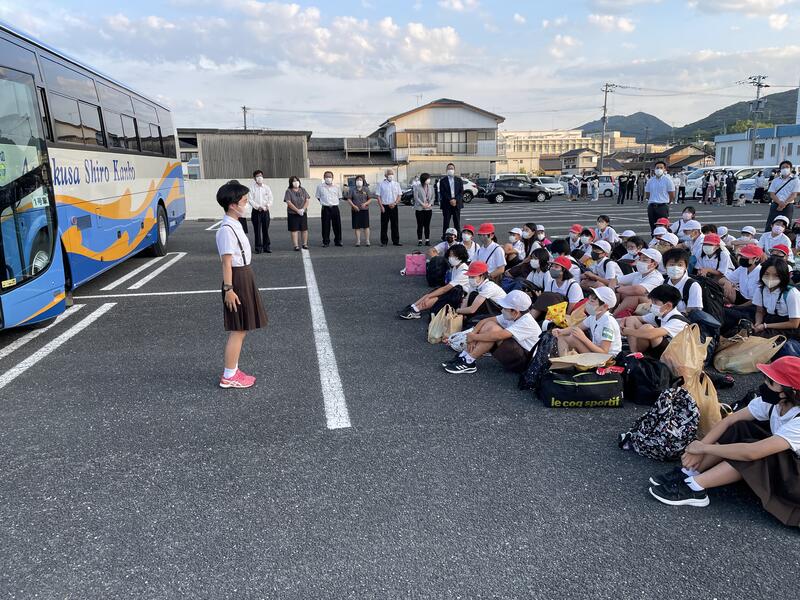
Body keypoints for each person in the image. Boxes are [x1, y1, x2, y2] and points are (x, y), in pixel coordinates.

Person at [648, 356, 800, 526]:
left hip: (795, 484)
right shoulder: (776, 402)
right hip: (787, 464)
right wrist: (699, 448)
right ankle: (692, 472)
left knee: (755, 452)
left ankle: (696, 488)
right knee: (740, 427)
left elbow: (752, 452)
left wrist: (703, 449)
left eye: (771, 382)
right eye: (766, 378)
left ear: (791, 392)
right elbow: (729, 420)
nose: (764, 384)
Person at [215, 181, 268, 389]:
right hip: (236, 278)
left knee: (242, 328)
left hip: (244, 275)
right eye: (244, 201)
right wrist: (229, 289)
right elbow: (226, 262)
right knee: (238, 329)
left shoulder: (235, 223)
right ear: (232, 205)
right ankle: (229, 375)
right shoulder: (226, 229)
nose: (246, 204)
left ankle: (233, 370)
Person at [443, 290, 541, 374]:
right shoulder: (514, 315)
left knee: (494, 332)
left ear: (515, 311)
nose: (502, 310)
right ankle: (466, 356)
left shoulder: (526, 322)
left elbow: (498, 336)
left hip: (527, 363)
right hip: (519, 354)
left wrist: (473, 337)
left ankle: (469, 361)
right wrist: (472, 335)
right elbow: (485, 321)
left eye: (505, 308)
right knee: (490, 325)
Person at [398, 244, 469, 320]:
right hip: (454, 292)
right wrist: (430, 295)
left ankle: (416, 309)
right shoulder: (456, 267)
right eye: (450, 255)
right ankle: (413, 306)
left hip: (462, 297)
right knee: (434, 292)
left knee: (439, 296)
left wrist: (429, 296)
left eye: (452, 255)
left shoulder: (464, 272)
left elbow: (445, 289)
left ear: (459, 256)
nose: (450, 257)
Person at [621, 284, 689, 358]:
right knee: (631, 319)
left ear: (668, 305)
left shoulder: (677, 321)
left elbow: (651, 334)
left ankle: (639, 356)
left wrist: (628, 331)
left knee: (647, 328)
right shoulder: (659, 315)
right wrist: (624, 320)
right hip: (662, 349)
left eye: (655, 303)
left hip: (677, 356)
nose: (651, 305)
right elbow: (634, 318)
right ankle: (634, 353)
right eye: (652, 302)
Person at [553, 286, 621, 356]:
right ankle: (564, 360)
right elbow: (576, 328)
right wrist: (560, 331)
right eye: (589, 300)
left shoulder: (608, 323)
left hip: (608, 358)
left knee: (572, 339)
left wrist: (583, 338)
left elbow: (604, 352)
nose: (588, 303)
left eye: (592, 301)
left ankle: (567, 360)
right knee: (562, 337)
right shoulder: (593, 317)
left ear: (605, 306)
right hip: (596, 354)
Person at [752, 256, 800, 339]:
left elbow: (794, 323)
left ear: (783, 276)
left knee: (757, 339)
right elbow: (759, 311)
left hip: (787, 327)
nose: (770, 278)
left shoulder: (791, 293)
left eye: (776, 275)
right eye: (766, 274)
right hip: (769, 320)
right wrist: (757, 323)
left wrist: (765, 326)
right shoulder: (760, 290)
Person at [721, 244, 764, 335]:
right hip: (741, 297)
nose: (742, 258)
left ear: (756, 259)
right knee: (723, 288)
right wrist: (728, 283)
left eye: (746, 257)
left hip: (754, 304)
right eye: (742, 256)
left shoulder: (761, 273)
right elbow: (722, 280)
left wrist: (738, 307)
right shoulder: (742, 268)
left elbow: (756, 300)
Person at [613, 248, 665, 316]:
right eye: (640, 259)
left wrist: (616, 288)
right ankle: (609, 310)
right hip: (642, 303)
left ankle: (613, 316)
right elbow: (615, 280)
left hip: (654, 305)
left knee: (633, 296)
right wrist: (615, 288)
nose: (640, 262)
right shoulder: (638, 274)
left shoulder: (656, 277)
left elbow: (638, 290)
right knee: (621, 289)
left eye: (644, 260)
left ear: (654, 264)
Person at [662, 249, 703, 314]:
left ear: (686, 267)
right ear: (665, 266)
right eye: (672, 265)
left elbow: (693, 311)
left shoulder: (692, 285)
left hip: (683, 319)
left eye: (680, 265)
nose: (675, 268)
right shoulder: (664, 282)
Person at [765, 160, 800, 231]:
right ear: (780, 169)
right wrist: (779, 203)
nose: (785, 169)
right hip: (775, 204)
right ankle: (767, 237)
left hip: (788, 205)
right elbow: (772, 194)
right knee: (771, 223)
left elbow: (794, 194)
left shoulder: (795, 180)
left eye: (787, 167)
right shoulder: (775, 180)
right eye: (783, 167)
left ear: (791, 169)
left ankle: (784, 238)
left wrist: (784, 204)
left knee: (786, 224)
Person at [645, 160, 675, 233]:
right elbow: (647, 194)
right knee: (653, 227)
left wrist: (668, 202)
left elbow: (672, 194)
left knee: (663, 227)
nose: (659, 169)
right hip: (651, 207)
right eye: (657, 168)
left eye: (661, 168)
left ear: (664, 169)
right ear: (654, 169)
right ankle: (654, 239)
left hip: (662, 207)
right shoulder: (650, 181)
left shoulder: (668, 180)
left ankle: (664, 239)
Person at [248, 170, 273, 254]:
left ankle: (267, 247)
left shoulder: (266, 187)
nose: (260, 177)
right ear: (254, 178)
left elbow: (271, 198)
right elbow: (250, 200)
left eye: (261, 176)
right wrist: (257, 207)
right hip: (256, 211)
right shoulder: (252, 188)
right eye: (258, 176)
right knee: (257, 230)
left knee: (265, 229)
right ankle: (258, 248)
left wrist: (267, 206)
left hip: (265, 211)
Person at [315, 170, 343, 247]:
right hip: (325, 208)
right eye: (326, 176)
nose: (328, 178)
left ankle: (338, 241)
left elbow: (339, 197)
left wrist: (333, 202)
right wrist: (325, 202)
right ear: (324, 177)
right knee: (325, 225)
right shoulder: (320, 187)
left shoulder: (337, 186)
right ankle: (326, 242)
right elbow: (318, 197)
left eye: (330, 176)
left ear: (332, 178)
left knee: (337, 225)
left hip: (335, 208)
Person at [284, 175, 309, 251]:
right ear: (291, 182)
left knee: (304, 229)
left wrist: (303, 209)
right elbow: (288, 202)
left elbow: (307, 200)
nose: (296, 182)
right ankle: (296, 245)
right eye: (294, 181)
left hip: (303, 212)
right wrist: (297, 210)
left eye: (297, 180)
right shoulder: (288, 191)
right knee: (294, 229)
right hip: (292, 213)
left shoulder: (303, 190)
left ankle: (305, 244)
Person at [378, 168, 402, 246]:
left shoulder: (396, 184)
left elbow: (399, 195)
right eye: (389, 174)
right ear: (385, 175)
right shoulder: (381, 184)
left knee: (395, 224)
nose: (391, 175)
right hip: (385, 206)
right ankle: (384, 241)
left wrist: (395, 203)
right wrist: (381, 206)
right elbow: (378, 196)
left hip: (394, 206)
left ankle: (396, 241)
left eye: (392, 174)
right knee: (384, 224)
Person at [346, 176, 372, 247]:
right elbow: (349, 199)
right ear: (355, 181)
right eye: (357, 180)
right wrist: (354, 206)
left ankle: (367, 241)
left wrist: (365, 204)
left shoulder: (366, 189)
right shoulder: (352, 190)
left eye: (360, 180)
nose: (359, 181)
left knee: (366, 226)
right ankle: (358, 241)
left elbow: (370, 199)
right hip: (355, 210)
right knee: (357, 227)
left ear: (363, 181)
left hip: (364, 210)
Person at [439, 163, 463, 239]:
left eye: (452, 168)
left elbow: (461, 192)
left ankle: (458, 237)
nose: (450, 170)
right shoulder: (443, 181)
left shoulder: (459, 180)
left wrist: (455, 200)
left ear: (454, 170)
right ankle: (445, 237)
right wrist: (450, 200)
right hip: (446, 203)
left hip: (457, 203)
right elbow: (442, 192)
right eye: (449, 168)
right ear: (446, 170)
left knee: (457, 221)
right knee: (446, 222)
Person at [413, 172, 434, 246]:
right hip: (420, 209)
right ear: (423, 179)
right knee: (420, 225)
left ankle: (427, 240)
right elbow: (416, 197)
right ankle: (420, 240)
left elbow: (433, 197)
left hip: (428, 208)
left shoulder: (431, 187)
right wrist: (423, 204)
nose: (429, 180)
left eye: (429, 178)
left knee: (427, 225)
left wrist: (430, 204)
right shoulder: (417, 187)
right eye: (427, 178)